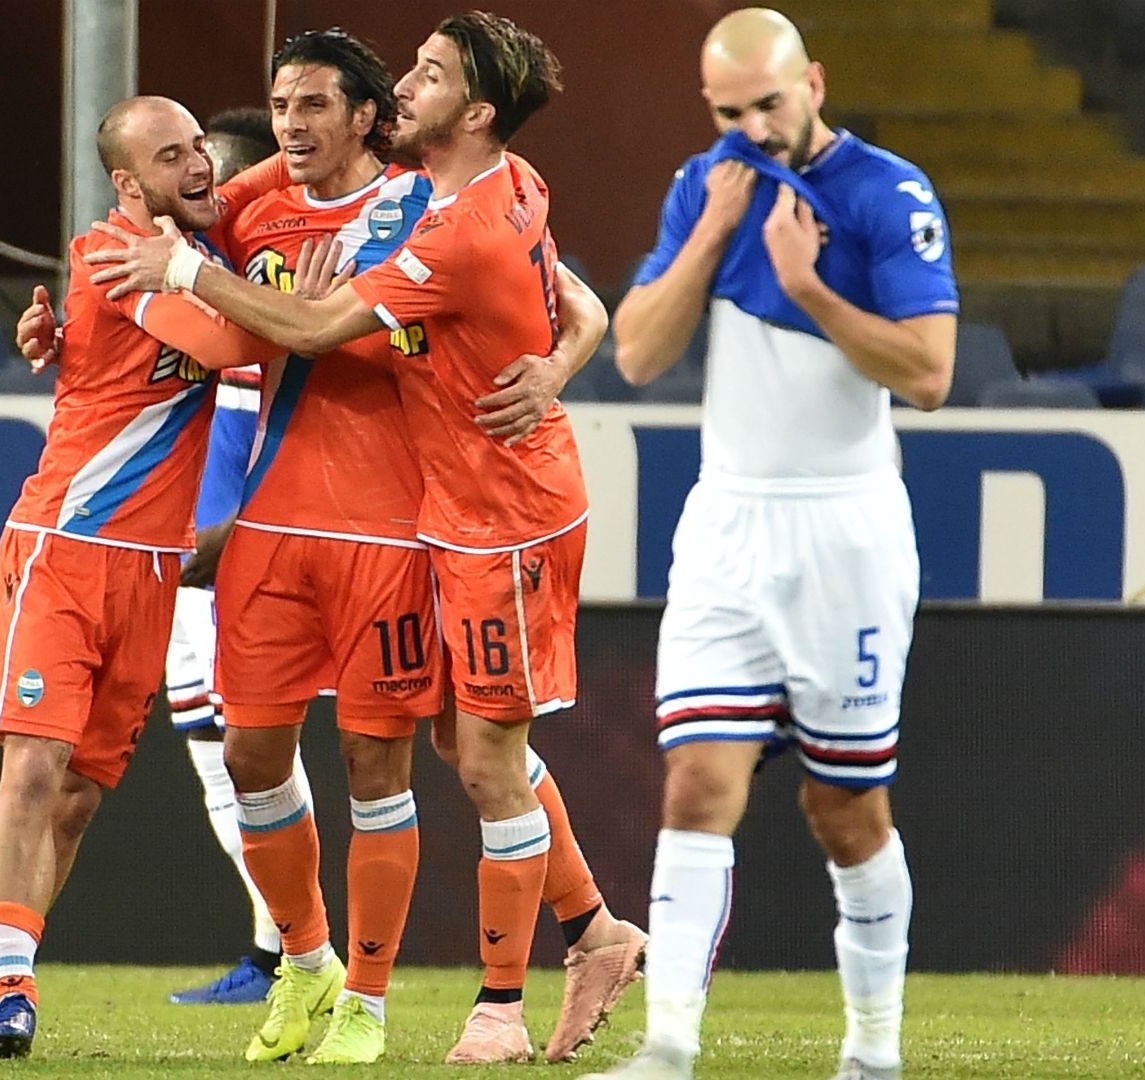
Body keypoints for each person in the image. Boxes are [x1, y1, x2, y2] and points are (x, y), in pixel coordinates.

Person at [84, 12, 634, 1064]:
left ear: (379, 116)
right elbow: (161, 225)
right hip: (340, 521)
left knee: (458, 755)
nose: (289, 124)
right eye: (279, 105)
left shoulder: (435, 214)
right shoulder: (303, 201)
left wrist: (557, 370)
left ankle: (447, 1006)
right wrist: (74, 316)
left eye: (314, 104)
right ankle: (333, 961)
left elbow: (313, 323)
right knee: (344, 749)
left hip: (445, 525)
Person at [581, 9, 957, 1080]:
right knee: (696, 783)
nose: (752, 125)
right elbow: (642, 354)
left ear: (814, 83)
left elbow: (928, 376)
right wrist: (711, 232)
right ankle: (668, 1048)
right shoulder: (707, 185)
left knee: (845, 809)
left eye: (768, 103)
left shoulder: (890, 194)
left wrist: (807, 289)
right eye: (729, 111)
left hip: (847, 531)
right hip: (729, 523)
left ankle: (873, 1052)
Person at [0, 94, 286, 1061]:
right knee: (32, 769)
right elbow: (240, 349)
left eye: (202, 147)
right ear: (128, 184)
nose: (199, 165)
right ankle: (17, 985)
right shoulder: (110, 256)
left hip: (155, 570)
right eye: (172, 155)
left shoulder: (189, 257)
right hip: (65, 550)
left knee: (77, 796)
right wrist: (208, 284)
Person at [161, 102, 312, 1009]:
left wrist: (243, 524)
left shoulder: (273, 297)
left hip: (248, 557)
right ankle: (277, 950)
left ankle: (304, 955)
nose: (203, 189)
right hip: (193, 559)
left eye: (221, 174)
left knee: (255, 757)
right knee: (221, 757)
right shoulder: (196, 286)